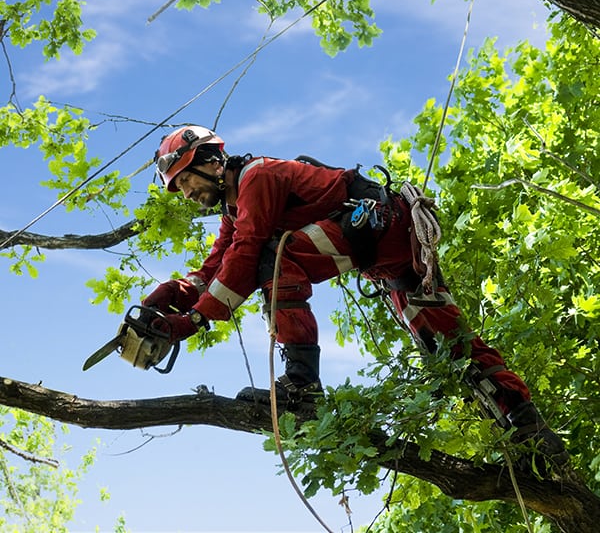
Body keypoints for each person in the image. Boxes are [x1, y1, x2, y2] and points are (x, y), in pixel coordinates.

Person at [143, 124, 568, 467]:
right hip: (389, 257)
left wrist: (193, 321)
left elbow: (246, 253)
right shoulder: (235, 209)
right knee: (449, 348)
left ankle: (302, 385)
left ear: (211, 162)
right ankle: (528, 429)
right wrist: (175, 295)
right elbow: (218, 264)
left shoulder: (258, 177)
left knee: (274, 256)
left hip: (381, 229)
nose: (185, 194)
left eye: (185, 181)